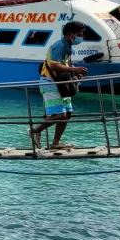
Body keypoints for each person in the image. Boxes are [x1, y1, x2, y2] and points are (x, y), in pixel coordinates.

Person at [29, 21, 88, 150]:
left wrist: (75, 74)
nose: (80, 37)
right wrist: (75, 70)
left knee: (67, 113)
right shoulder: (59, 46)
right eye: (78, 34)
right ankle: (35, 131)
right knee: (59, 114)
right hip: (50, 83)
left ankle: (55, 143)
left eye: (82, 34)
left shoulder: (68, 47)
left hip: (61, 83)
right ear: (69, 34)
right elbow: (53, 65)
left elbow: (65, 64)